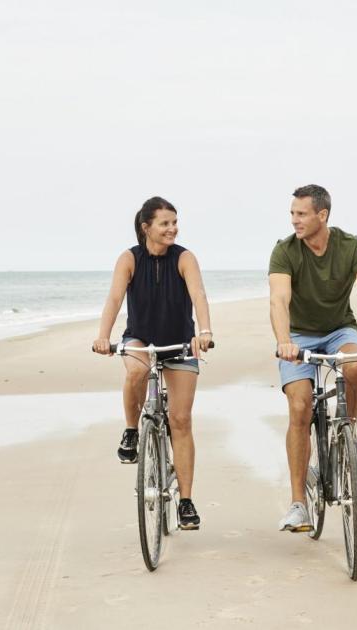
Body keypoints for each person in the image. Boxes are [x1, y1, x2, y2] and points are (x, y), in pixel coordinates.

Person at [269, 184, 357, 532]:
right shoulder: (285, 251)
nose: (294, 220)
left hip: (339, 330)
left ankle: (350, 436)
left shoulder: (350, 246)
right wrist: (284, 341)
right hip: (296, 337)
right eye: (292, 214)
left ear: (321, 215)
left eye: (301, 214)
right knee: (299, 406)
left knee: (355, 365)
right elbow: (279, 300)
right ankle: (298, 503)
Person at [93, 196, 213, 530]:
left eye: (175, 222)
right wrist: (103, 336)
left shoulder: (184, 258)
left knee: (181, 419)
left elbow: (199, 295)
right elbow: (115, 298)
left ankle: (186, 502)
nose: (172, 228)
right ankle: (132, 431)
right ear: (147, 227)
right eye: (165, 223)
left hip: (180, 342)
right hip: (141, 339)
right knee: (136, 371)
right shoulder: (129, 259)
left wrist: (204, 331)